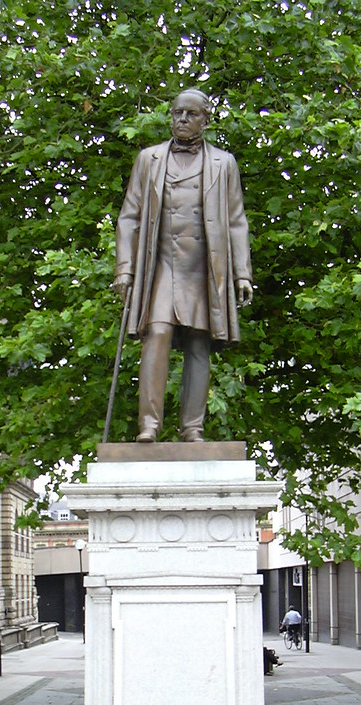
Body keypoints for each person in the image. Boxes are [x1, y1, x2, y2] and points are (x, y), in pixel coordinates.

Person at [112, 88, 252, 443]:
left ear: (206, 120)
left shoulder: (224, 163)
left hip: (204, 268)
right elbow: (129, 217)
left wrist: (242, 274)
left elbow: (236, 221)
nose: (183, 120)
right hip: (160, 266)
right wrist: (125, 269)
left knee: (198, 344)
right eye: (177, 113)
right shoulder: (149, 159)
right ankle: (149, 425)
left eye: (191, 114)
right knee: (156, 334)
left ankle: (192, 429)